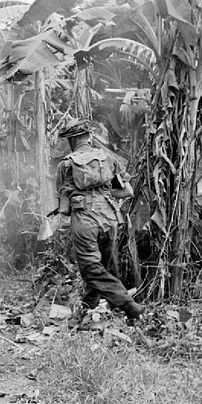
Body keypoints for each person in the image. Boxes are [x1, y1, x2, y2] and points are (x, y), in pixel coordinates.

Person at [55, 118, 144, 320]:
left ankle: (130, 306)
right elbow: (127, 191)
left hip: (85, 221)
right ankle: (89, 309)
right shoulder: (108, 159)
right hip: (110, 218)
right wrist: (103, 195)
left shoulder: (66, 165)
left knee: (91, 269)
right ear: (90, 136)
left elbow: (64, 209)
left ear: (72, 140)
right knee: (106, 266)